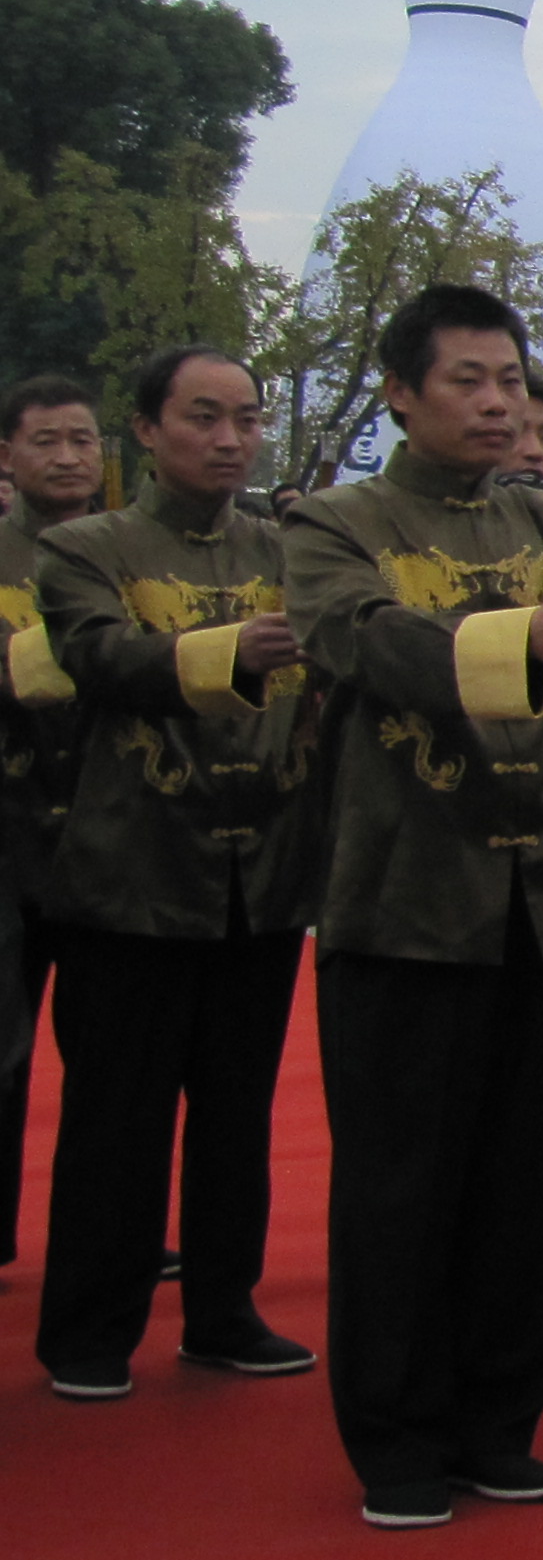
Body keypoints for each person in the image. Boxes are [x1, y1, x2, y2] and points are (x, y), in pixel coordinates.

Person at [284, 286, 543, 1529]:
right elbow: (362, 643)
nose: (498, 402)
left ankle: (498, 1422)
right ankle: (398, 1440)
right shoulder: (334, 523)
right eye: (466, 379)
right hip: (408, 890)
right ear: (400, 394)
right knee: (402, 1180)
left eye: (510, 379)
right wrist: (526, 636)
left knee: (522, 1173)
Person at [26, 348, 325, 1395]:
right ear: (147, 430)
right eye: (204, 417)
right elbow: (101, 658)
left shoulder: (288, 549)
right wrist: (233, 651)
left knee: (237, 1115)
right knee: (118, 1116)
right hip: (133, 870)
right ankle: (89, 1331)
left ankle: (223, 1309)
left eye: (246, 418)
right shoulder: (84, 549)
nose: (230, 439)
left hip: (264, 868)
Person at [0, 374, 110, 1277]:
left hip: (109, 839)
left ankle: (107, 1235)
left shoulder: (127, 558)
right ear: (7, 456)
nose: (70, 457)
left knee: (114, 1063)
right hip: (8, 831)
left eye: (83, 440)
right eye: (48, 441)